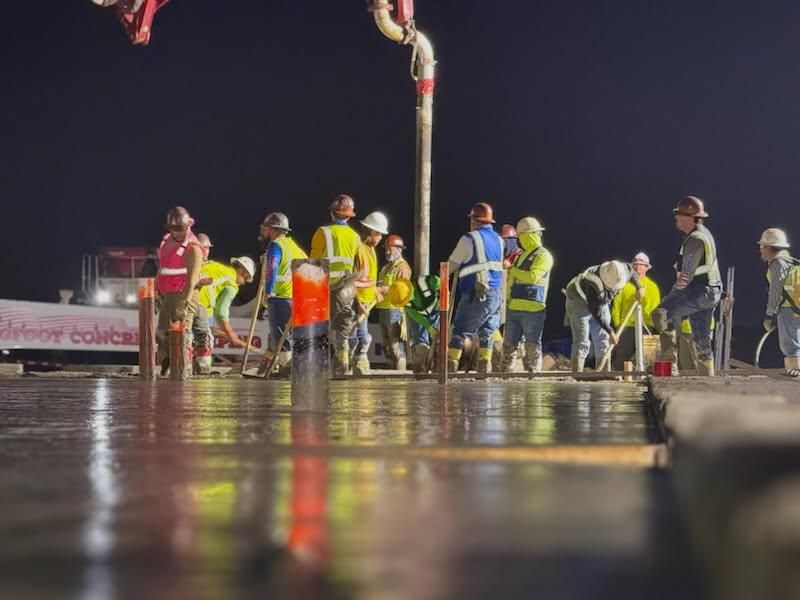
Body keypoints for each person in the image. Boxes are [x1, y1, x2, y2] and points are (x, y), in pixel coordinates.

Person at [652, 196, 722, 376]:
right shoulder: (702, 235)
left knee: (662, 314)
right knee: (702, 338)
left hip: (701, 291)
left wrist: (670, 298)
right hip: (710, 291)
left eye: (679, 214)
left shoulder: (695, 239)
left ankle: (669, 366)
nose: (676, 218)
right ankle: (708, 377)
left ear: (690, 218)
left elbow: (685, 276)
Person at [446, 202, 504, 374]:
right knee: (487, 330)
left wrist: (441, 276)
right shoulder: (500, 241)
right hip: (496, 294)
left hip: (476, 292)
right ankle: (484, 364)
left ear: (474, 220)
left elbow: (451, 265)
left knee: (461, 329)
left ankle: (450, 364)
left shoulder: (469, 238)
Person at [310, 194, 363, 375]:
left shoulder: (323, 232)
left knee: (320, 328)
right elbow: (358, 265)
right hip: (347, 288)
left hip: (327, 287)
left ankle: (317, 367)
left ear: (332, 213)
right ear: (349, 216)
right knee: (342, 329)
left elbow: (314, 262)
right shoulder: (355, 237)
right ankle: (342, 365)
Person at [564, 260, 642, 372]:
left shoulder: (622, 270)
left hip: (600, 304)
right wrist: (611, 332)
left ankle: (604, 371)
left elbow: (632, 272)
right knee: (582, 339)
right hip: (578, 302)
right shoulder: (594, 285)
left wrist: (639, 287)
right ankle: (577, 372)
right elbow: (597, 312)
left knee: (603, 339)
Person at [501, 217, 553, 373]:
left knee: (532, 346)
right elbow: (511, 282)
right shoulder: (520, 255)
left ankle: (533, 375)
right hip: (514, 307)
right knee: (509, 345)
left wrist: (511, 269)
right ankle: (507, 374)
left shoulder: (544, 256)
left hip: (533, 308)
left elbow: (533, 277)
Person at [156, 207, 203, 377]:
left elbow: (192, 280)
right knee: (162, 332)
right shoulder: (167, 240)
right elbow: (162, 266)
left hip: (183, 294)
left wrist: (185, 303)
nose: (177, 233)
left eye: (180, 229)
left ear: (188, 225)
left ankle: (184, 367)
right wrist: (157, 289)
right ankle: (166, 364)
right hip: (168, 294)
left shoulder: (193, 248)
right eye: (173, 229)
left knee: (182, 332)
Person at [260, 212, 308, 374]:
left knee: (280, 335)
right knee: (290, 334)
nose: (264, 231)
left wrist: (268, 291)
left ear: (274, 229)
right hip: (297, 297)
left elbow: (272, 267)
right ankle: (291, 366)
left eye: (266, 228)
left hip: (280, 296)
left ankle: (286, 367)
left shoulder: (275, 246)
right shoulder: (297, 249)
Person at [196, 256, 257, 370]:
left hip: (183, 297)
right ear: (240, 271)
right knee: (206, 341)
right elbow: (221, 312)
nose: (243, 283)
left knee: (187, 338)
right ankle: (202, 371)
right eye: (245, 279)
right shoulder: (232, 284)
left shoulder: (216, 267)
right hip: (201, 306)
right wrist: (231, 334)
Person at [350, 212, 388, 375]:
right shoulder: (358, 249)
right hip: (355, 303)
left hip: (366, 303)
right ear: (371, 232)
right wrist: (358, 303)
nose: (380, 238)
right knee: (356, 338)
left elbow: (368, 281)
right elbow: (352, 279)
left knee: (362, 338)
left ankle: (358, 363)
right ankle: (349, 364)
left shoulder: (371, 251)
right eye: (379, 234)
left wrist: (376, 291)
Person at [758, 228, 800, 378]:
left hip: (788, 309)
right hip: (796, 306)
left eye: (762, 246)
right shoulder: (790, 261)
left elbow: (775, 290)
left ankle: (795, 374)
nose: (760, 250)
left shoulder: (778, 263)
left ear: (769, 247)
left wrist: (769, 315)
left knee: (790, 345)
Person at [610, 252, 661, 371]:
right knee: (622, 354)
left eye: (642, 265)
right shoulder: (624, 285)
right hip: (625, 326)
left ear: (646, 268)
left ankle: (643, 379)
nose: (638, 267)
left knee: (645, 356)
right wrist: (617, 323)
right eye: (636, 265)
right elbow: (616, 304)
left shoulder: (652, 287)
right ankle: (619, 378)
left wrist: (651, 326)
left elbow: (655, 308)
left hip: (644, 326)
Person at [376, 234, 412, 370]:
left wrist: (385, 289)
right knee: (386, 343)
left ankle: (400, 372)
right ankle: (391, 370)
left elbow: (402, 291)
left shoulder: (402, 267)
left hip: (395, 309)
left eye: (390, 249)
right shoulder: (386, 268)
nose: (386, 252)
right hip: (383, 307)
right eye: (386, 249)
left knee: (394, 343)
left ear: (399, 249)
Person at [405, 274, 441, 372]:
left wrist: (444, 294)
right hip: (421, 315)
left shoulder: (424, 282)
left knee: (438, 340)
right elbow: (417, 318)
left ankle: (437, 364)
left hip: (435, 311)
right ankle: (419, 365)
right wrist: (429, 328)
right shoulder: (407, 305)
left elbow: (439, 281)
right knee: (420, 342)